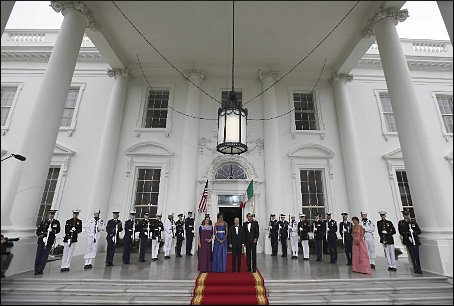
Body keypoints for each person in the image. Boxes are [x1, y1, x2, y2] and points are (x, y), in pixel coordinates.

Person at [34, 209, 60, 275]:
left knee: (45, 256)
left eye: (53, 214)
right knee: (39, 255)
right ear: (48, 214)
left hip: (49, 241)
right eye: (50, 214)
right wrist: (42, 237)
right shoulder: (43, 222)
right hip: (42, 241)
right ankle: (36, 269)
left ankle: (41, 269)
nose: (51, 215)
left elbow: (58, 230)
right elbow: (38, 231)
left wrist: (53, 230)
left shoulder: (56, 222)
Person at [398, 210, 422, 274]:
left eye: (407, 215)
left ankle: (419, 268)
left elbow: (419, 231)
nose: (406, 216)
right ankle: (415, 267)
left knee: (417, 255)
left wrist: (414, 232)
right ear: (403, 215)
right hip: (408, 240)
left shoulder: (413, 222)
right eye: (405, 215)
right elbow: (400, 231)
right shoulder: (401, 223)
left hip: (415, 240)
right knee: (412, 255)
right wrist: (407, 234)